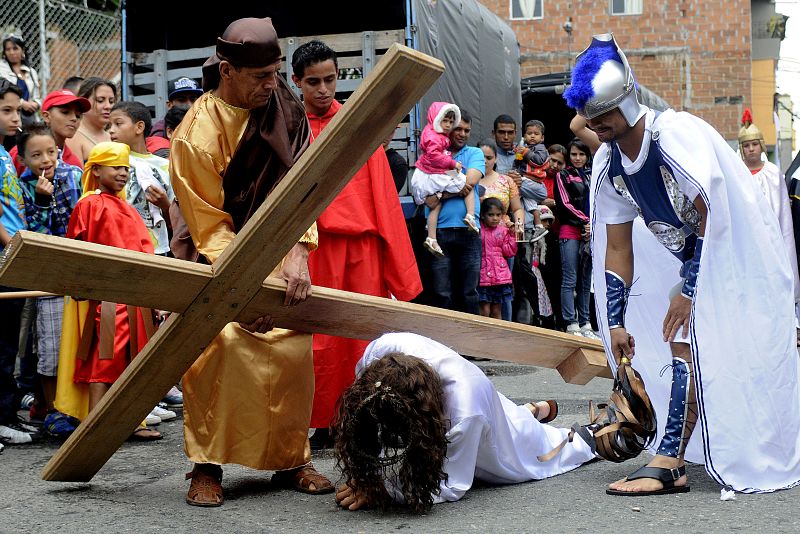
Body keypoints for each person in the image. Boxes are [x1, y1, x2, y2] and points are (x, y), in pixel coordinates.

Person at [564, 32, 800, 495]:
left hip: (737, 258)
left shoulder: (674, 136)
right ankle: (674, 456)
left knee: (705, 345)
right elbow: (618, 248)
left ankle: (670, 461)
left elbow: (713, 216)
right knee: (680, 344)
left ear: (625, 104)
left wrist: (690, 293)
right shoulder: (610, 164)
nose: (595, 125)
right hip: (697, 259)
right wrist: (614, 321)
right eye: (591, 117)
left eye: (603, 115)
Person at [169, 17, 333, 506]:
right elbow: (208, 224)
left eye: (276, 72)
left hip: (285, 250)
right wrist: (248, 283)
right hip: (221, 258)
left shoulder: (285, 106)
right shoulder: (195, 132)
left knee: (292, 347)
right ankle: (207, 466)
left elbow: (304, 188)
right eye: (261, 76)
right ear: (227, 70)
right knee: (219, 347)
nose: (272, 84)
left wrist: (299, 251)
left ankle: (292, 459)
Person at [289, 40, 422, 450]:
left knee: (367, 334)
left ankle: (370, 415)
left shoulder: (354, 121)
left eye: (330, 79)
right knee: (317, 338)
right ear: (297, 82)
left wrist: (397, 265)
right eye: (314, 82)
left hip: (363, 244)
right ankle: (325, 423)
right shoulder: (288, 126)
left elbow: (383, 193)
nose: (324, 89)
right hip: (314, 245)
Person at [332, 332, 595, 512]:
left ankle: (579, 435)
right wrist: (364, 469)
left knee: (522, 444)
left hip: (475, 402)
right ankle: (530, 410)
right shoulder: (381, 349)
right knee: (498, 415)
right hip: (476, 396)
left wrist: (384, 490)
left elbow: (450, 484)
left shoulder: (465, 412)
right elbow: (364, 408)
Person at [55, 141, 161, 442]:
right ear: (96, 169)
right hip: (109, 297)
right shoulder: (89, 204)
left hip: (136, 297)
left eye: (126, 167)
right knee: (104, 358)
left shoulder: (126, 207)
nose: (123, 173)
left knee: (134, 360)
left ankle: (131, 421)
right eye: (116, 167)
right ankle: (94, 424)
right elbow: (78, 247)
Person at [16, 123, 83, 436]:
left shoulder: (74, 175)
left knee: (83, 343)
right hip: (48, 277)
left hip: (80, 271)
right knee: (51, 345)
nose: (46, 159)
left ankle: (81, 407)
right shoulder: (24, 186)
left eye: (51, 152)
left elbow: (83, 220)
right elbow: (34, 235)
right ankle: (55, 409)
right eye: (36, 155)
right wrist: (42, 201)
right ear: (24, 159)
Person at [0, 79, 38, 445]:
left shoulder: (3, 153)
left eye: (17, 109)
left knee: (11, 344)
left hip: (12, 258)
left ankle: (7, 414)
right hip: (4, 258)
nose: (16, 118)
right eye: (7, 110)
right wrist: (13, 245)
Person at [738, 108, 800, 318]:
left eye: (755, 144)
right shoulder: (737, 174)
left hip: (773, 242)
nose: (751, 149)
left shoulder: (774, 174)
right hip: (748, 243)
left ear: (762, 145)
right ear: (741, 149)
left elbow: (783, 216)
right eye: (747, 145)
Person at [424, 110, 484, 315]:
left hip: (469, 232)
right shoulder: (432, 153)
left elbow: (471, 181)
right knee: (441, 293)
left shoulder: (475, 153)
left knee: (469, 292)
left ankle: (471, 344)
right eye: (458, 128)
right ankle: (443, 344)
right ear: (446, 127)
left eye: (467, 130)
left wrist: (441, 191)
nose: (462, 133)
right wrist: (454, 182)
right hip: (438, 233)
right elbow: (426, 196)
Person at [108, 101, 174, 256]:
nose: (111, 130)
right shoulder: (108, 163)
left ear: (139, 127)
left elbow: (178, 220)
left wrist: (165, 205)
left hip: (156, 249)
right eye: (109, 126)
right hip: (118, 245)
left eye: (118, 124)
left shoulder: (165, 166)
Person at [411, 101, 477, 256]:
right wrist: (453, 163)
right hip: (435, 173)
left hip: (432, 173)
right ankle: (470, 215)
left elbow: (472, 181)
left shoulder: (433, 133)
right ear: (436, 119)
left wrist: (439, 196)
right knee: (462, 180)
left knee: (436, 205)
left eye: (450, 122)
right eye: (445, 121)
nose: (448, 125)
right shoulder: (435, 137)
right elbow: (467, 183)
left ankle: (431, 238)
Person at [554, 138, 597, 339]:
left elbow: (600, 201)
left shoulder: (592, 174)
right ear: (569, 156)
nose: (578, 158)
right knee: (570, 279)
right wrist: (586, 221)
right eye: (574, 154)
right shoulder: (564, 175)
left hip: (590, 233)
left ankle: (586, 323)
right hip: (570, 231)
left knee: (585, 280)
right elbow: (564, 204)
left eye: (581, 154)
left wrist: (593, 225)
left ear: (587, 156)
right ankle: (571, 323)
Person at [477, 139, 525, 321]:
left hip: (503, 242)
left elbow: (517, 209)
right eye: (481, 157)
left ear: (496, 158)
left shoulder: (506, 181)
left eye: (489, 157)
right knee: (480, 292)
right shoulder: (469, 179)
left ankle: (507, 329)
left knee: (503, 288)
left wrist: (518, 234)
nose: (485, 161)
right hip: (478, 242)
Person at [10, 89, 90, 175]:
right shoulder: (22, 152)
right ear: (47, 116)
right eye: (65, 112)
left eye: (78, 116)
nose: (74, 118)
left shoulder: (73, 162)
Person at [478, 197, 517, 319]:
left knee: (496, 311)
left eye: (498, 215)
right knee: (484, 310)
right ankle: (483, 335)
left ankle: (495, 337)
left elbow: (509, 252)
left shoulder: (504, 231)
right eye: (491, 215)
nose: (495, 218)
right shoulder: (478, 229)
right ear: (483, 215)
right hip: (483, 275)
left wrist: (512, 235)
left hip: (499, 276)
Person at [65, 77, 116, 163]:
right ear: (84, 102)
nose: (108, 106)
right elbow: (76, 175)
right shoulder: (72, 137)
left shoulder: (114, 136)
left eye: (111, 101)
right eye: (100, 100)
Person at [515, 119, 550, 242]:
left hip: (534, 181)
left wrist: (525, 152)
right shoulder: (524, 147)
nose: (532, 136)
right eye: (529, 133)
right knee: (529, 201)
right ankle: (538, 225)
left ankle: (521, 227)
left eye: (536, 134)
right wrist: (518, 153)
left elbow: (539, 161)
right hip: (526, 180)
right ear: (524, 135)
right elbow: (518, 164)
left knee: (514, 188)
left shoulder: (541, 148)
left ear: (542, 137)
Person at [0, 35, 41, 127]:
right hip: (8, 116)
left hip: (29, 117)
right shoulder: (1, 70)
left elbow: (37, 96)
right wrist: (22, 103)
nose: (11, 52)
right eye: (8, 49)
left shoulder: (31, 72)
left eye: (15, 48)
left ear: (22, 50)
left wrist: (35, 104)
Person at [530, 205, 554, 326]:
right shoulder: (533, 235)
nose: (547, 224)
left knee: (542, 296)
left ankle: (543, 319)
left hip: (538, 270)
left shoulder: (546, 238)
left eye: (549, 221)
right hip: (531, 269)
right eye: (544, 220)